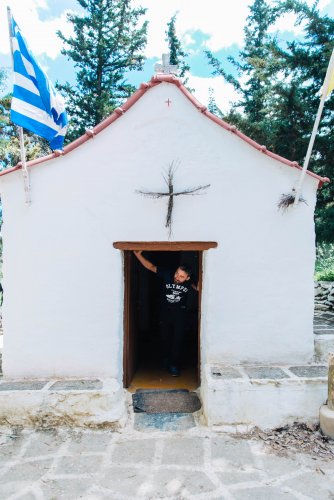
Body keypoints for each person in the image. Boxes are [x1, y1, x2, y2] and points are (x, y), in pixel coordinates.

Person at [133, 250, 198, 377]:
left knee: (177, 340)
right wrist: (138, 255)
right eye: (177, 273)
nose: (177, 277)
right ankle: (166, 360)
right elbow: (151, 266)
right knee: (165, 337)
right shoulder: (168, 274)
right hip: (165, 313)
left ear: (187, 277)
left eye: (181, 276)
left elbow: (200, 288)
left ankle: (174, 365)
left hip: (180, 314)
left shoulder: (190, 282)